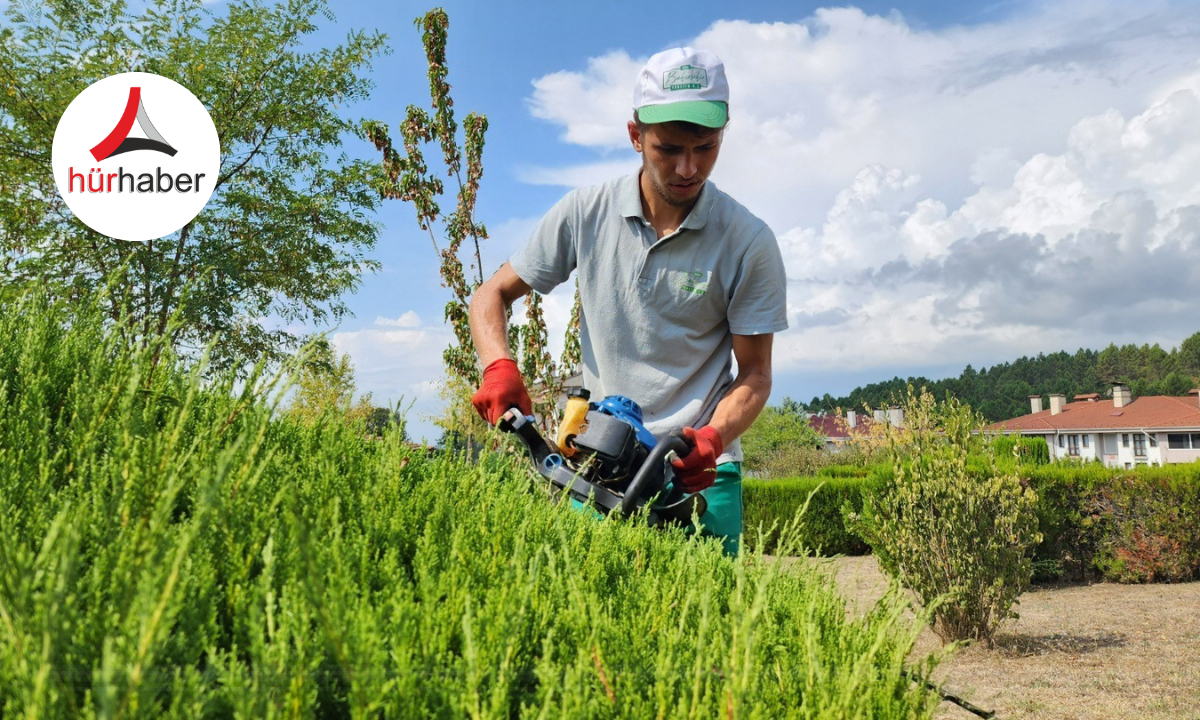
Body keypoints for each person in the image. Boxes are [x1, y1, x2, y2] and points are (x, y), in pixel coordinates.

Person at [467, 47, 787, 556]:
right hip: (598, 465)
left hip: (698, 476)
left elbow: (755, 375)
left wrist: (713, 439)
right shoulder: (584, 213)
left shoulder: (748, 241)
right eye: (668, 149)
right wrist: (499, 368)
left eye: (705, 147)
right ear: (636, 136)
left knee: (717, 629)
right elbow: (491, 295)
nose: (688, 167)